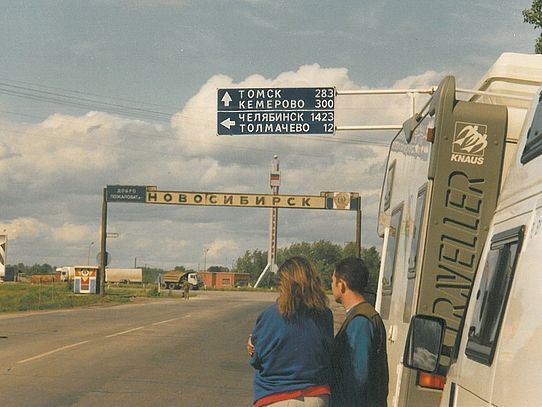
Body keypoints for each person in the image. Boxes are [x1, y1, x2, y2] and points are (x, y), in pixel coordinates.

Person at [247, 257, 334, 407]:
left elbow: (257, 360)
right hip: (317, 396)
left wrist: (252, 349)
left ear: (283, 285)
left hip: (275, 396)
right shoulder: (325, 315)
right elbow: (327, 354)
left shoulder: (270, 315)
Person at [330, 257, 389, 407]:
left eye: (332, 281)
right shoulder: (363, 315)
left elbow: (358, 377)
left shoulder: (360, 321)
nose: (331, 286)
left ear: (341, 285)